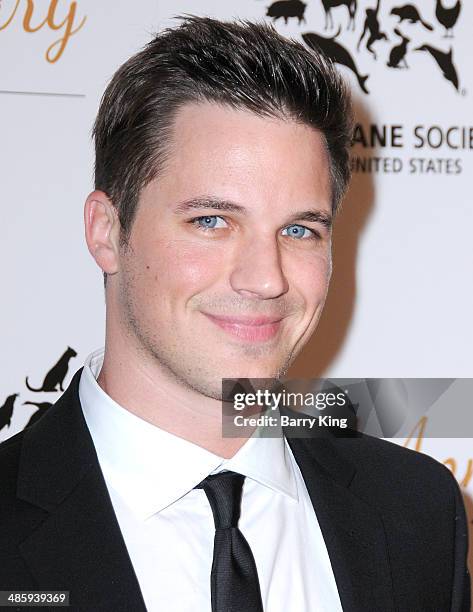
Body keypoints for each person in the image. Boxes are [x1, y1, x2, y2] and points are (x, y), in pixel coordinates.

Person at [0, 15, 469, 612]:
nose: (266, 278)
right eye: (212, 221)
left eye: (299, 229)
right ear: (106, 231)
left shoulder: (416, 513)